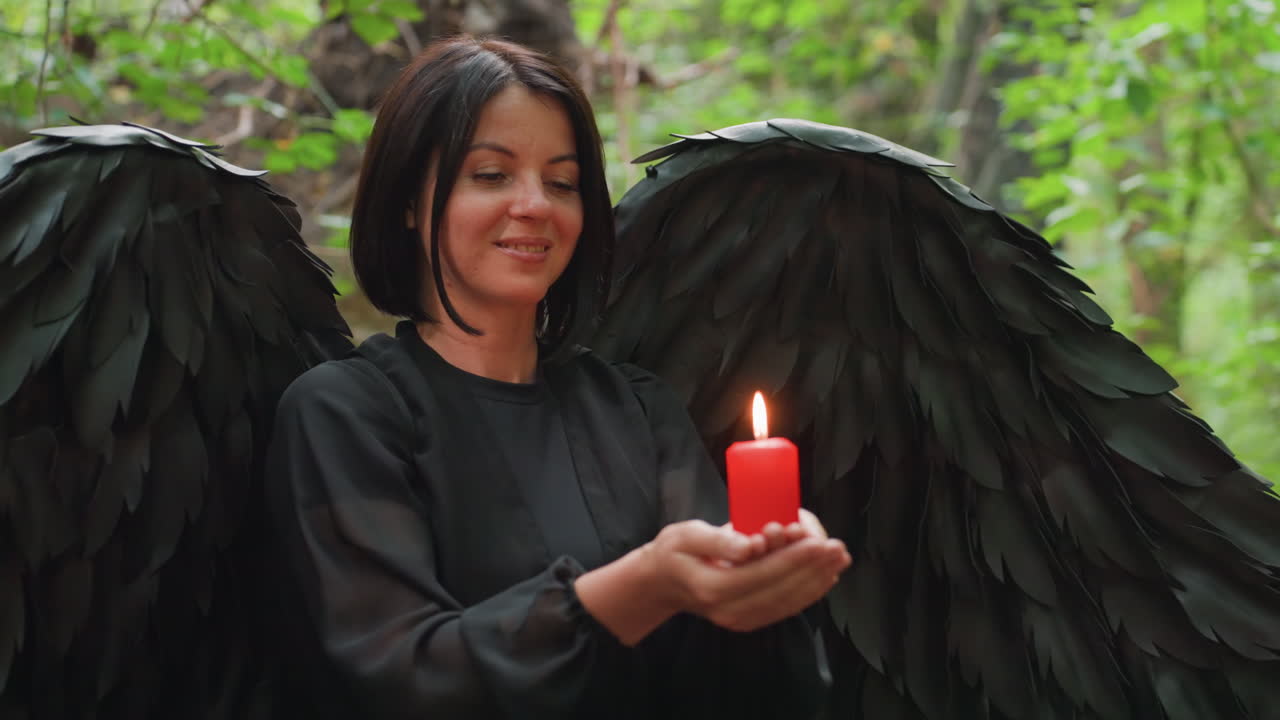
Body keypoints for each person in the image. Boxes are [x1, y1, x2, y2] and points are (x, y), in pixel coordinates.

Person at [264, 35, 851, 720]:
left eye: (563, 182)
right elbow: (405, 676)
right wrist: (642, 585)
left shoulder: (637, 408)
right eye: (491, 174)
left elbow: (735, 673)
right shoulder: (344, 414)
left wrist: (767, 586)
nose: (535, 205)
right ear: (408, 200)